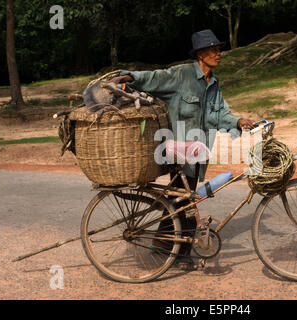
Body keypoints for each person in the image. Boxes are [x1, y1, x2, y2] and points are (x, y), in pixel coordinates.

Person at [110, 29, 256, 269]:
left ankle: (163, 243)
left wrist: (239, 121)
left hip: (198, 153)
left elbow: (220, 113)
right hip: (178, 149)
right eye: (213, 50)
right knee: (186, 202)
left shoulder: (214, 83)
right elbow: (153, 78)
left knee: (180, 200)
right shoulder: (182, 74)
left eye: (219, 49)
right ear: (201, 54)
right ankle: (180, 253)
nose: (218, 54)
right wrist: (126, 77)